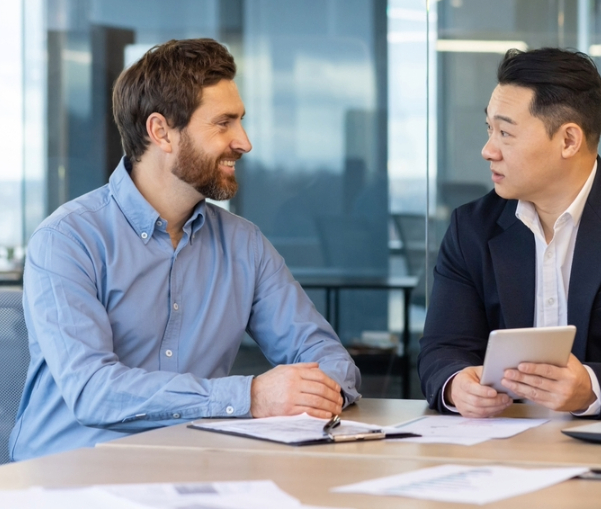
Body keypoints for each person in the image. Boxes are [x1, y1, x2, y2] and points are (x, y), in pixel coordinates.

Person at [10, 39, 361, 461]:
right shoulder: (67, 240)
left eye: (241, 121)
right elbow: (93, 393)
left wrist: (317, 391)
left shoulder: (243, 244)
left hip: (192, 473)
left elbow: (328, 359)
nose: (244, 142)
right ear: (161, 132)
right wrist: (250, 396)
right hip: (68, 479)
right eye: (223, 123)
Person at [418, 47, 601, 419]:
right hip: (498, 447)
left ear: (568, 141)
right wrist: (455, 384)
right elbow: (441, 349)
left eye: (506, 133)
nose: (487, 150)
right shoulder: (472, 228)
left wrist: (591, 388)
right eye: (489, 129)